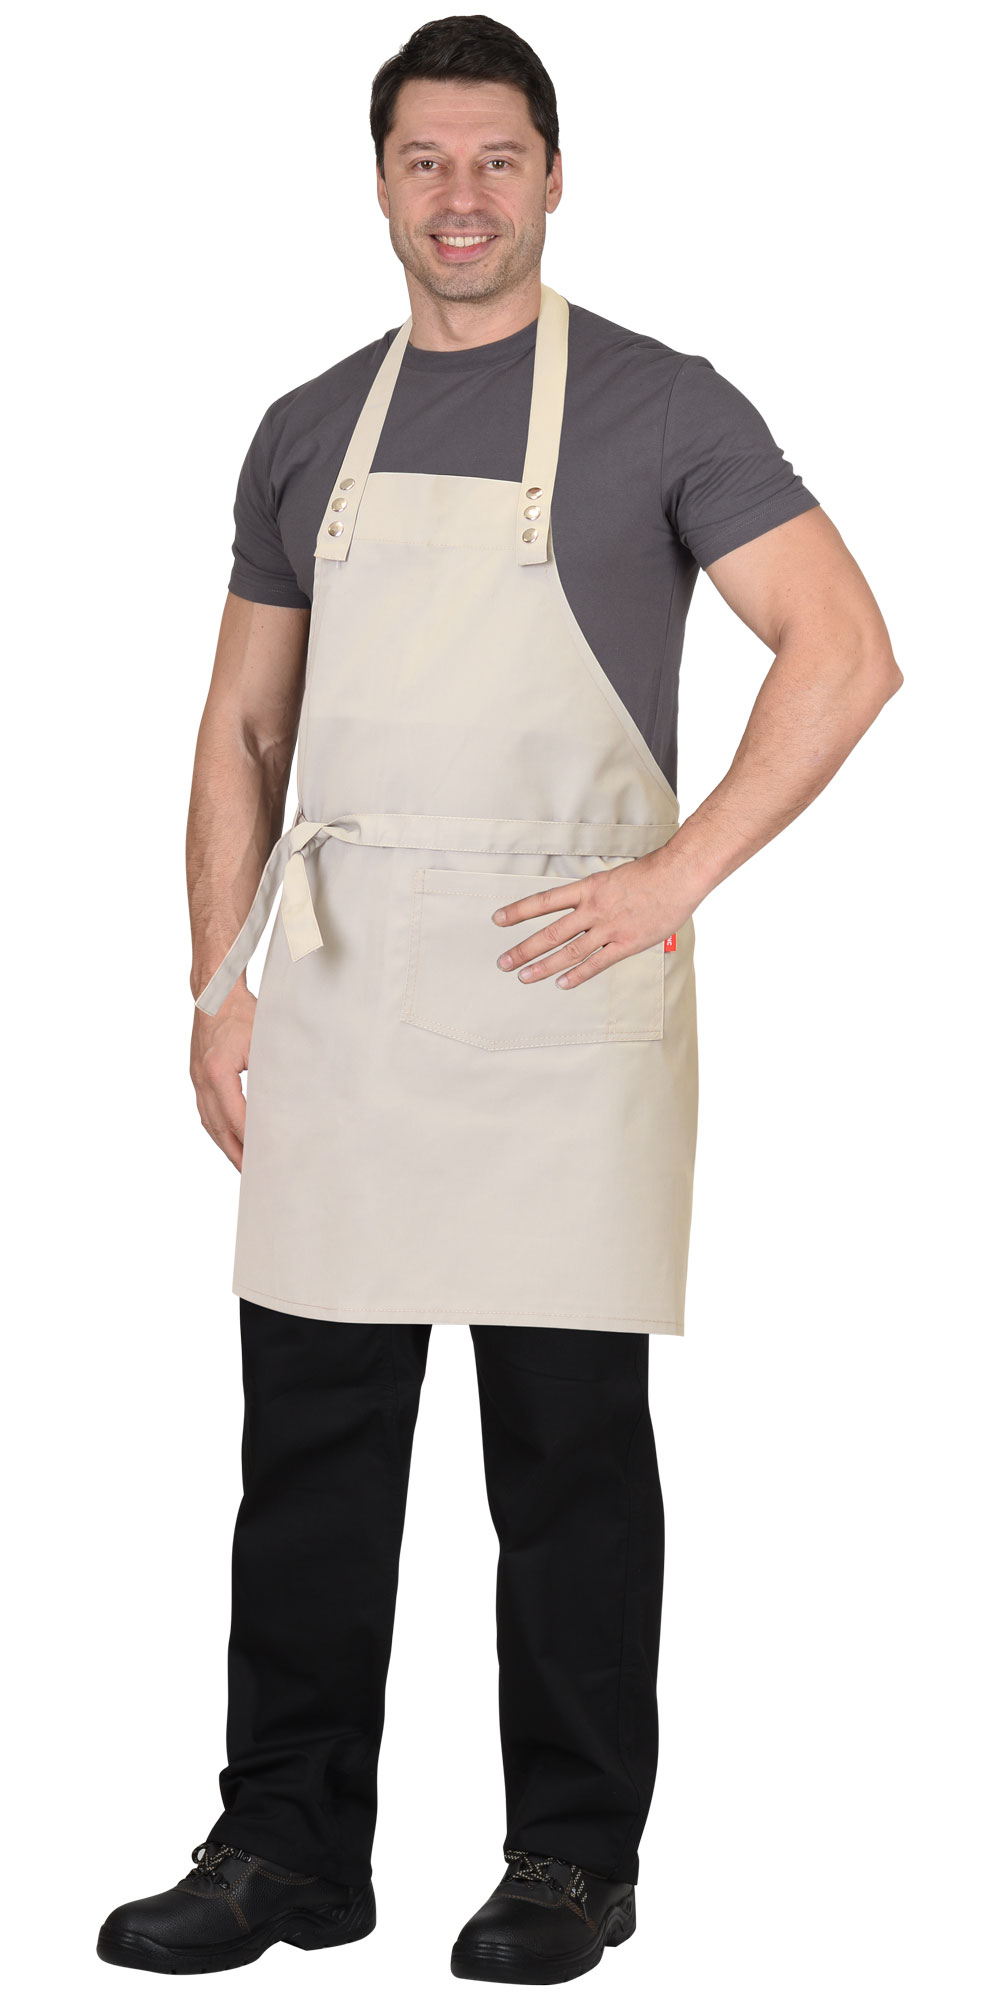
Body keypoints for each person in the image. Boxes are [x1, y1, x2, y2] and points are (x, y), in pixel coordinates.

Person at [96, 12, 903, 1984]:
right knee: (309, 1449)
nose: (459, 197)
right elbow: (243, 727)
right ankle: (286, 1848)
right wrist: (217, 983)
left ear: (555, 176)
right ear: (377, 182)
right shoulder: (307, 426)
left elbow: (843, 649)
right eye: (423, 160)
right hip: (345, 990)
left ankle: (568, 1859)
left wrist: (671, 879)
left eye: (496, 159)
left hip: (563, 994)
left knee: (565, 1453)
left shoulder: (662, 406)